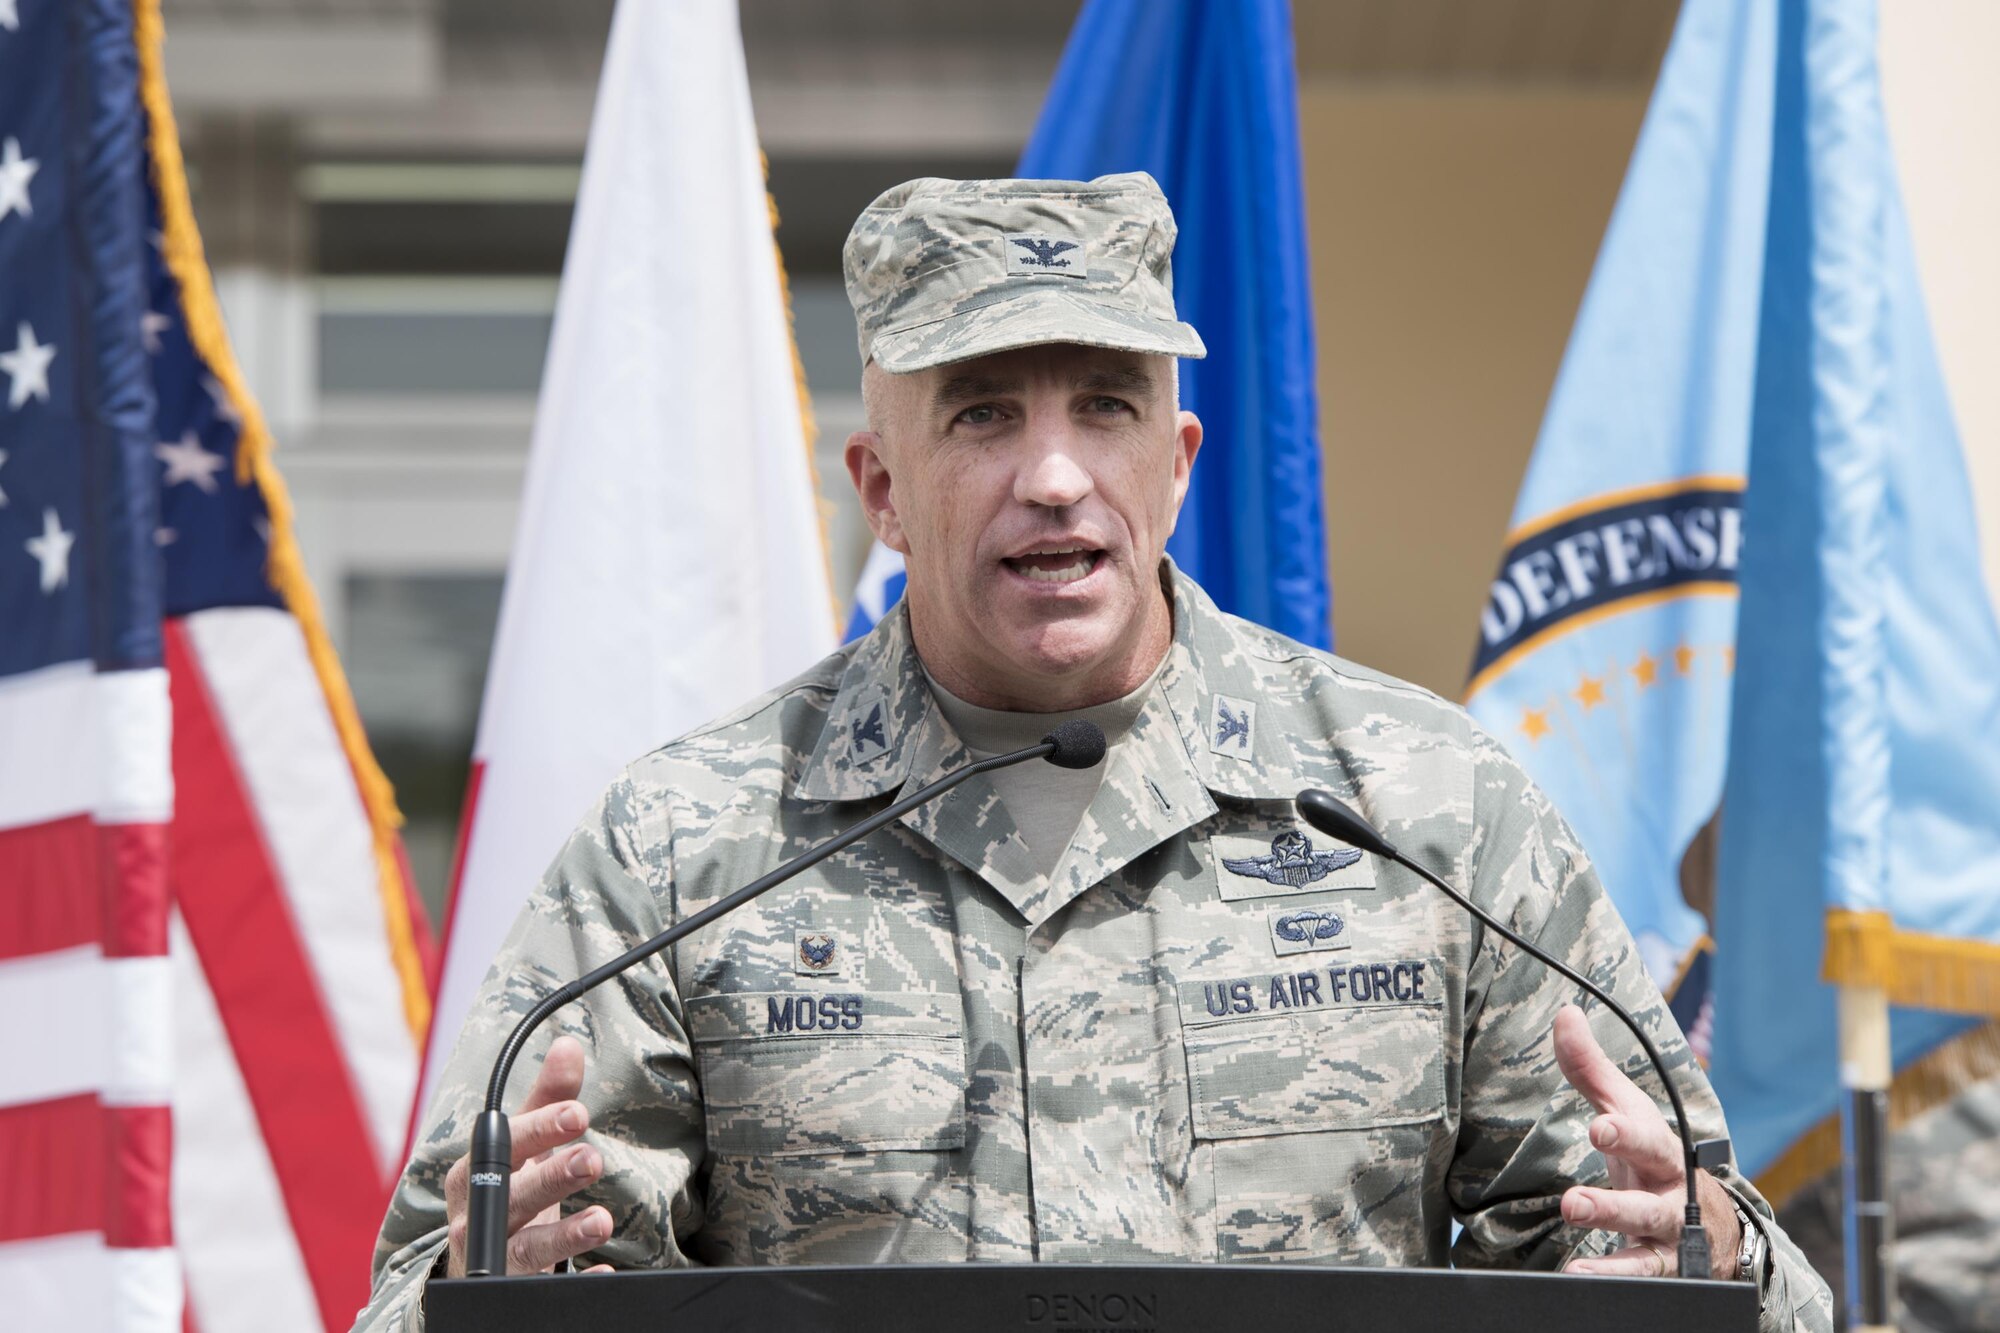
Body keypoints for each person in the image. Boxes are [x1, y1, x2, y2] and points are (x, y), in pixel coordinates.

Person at [353, 174, 1832, 1331]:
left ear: (1176, 465)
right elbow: (428, 1286)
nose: (1055, 477)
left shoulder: (1428, 809)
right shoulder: (686, 849)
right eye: (983, 415)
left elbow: (1710, 1272)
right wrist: (481, 1302)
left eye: (1106, 407)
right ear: (881, 487)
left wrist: (1716, 1266)